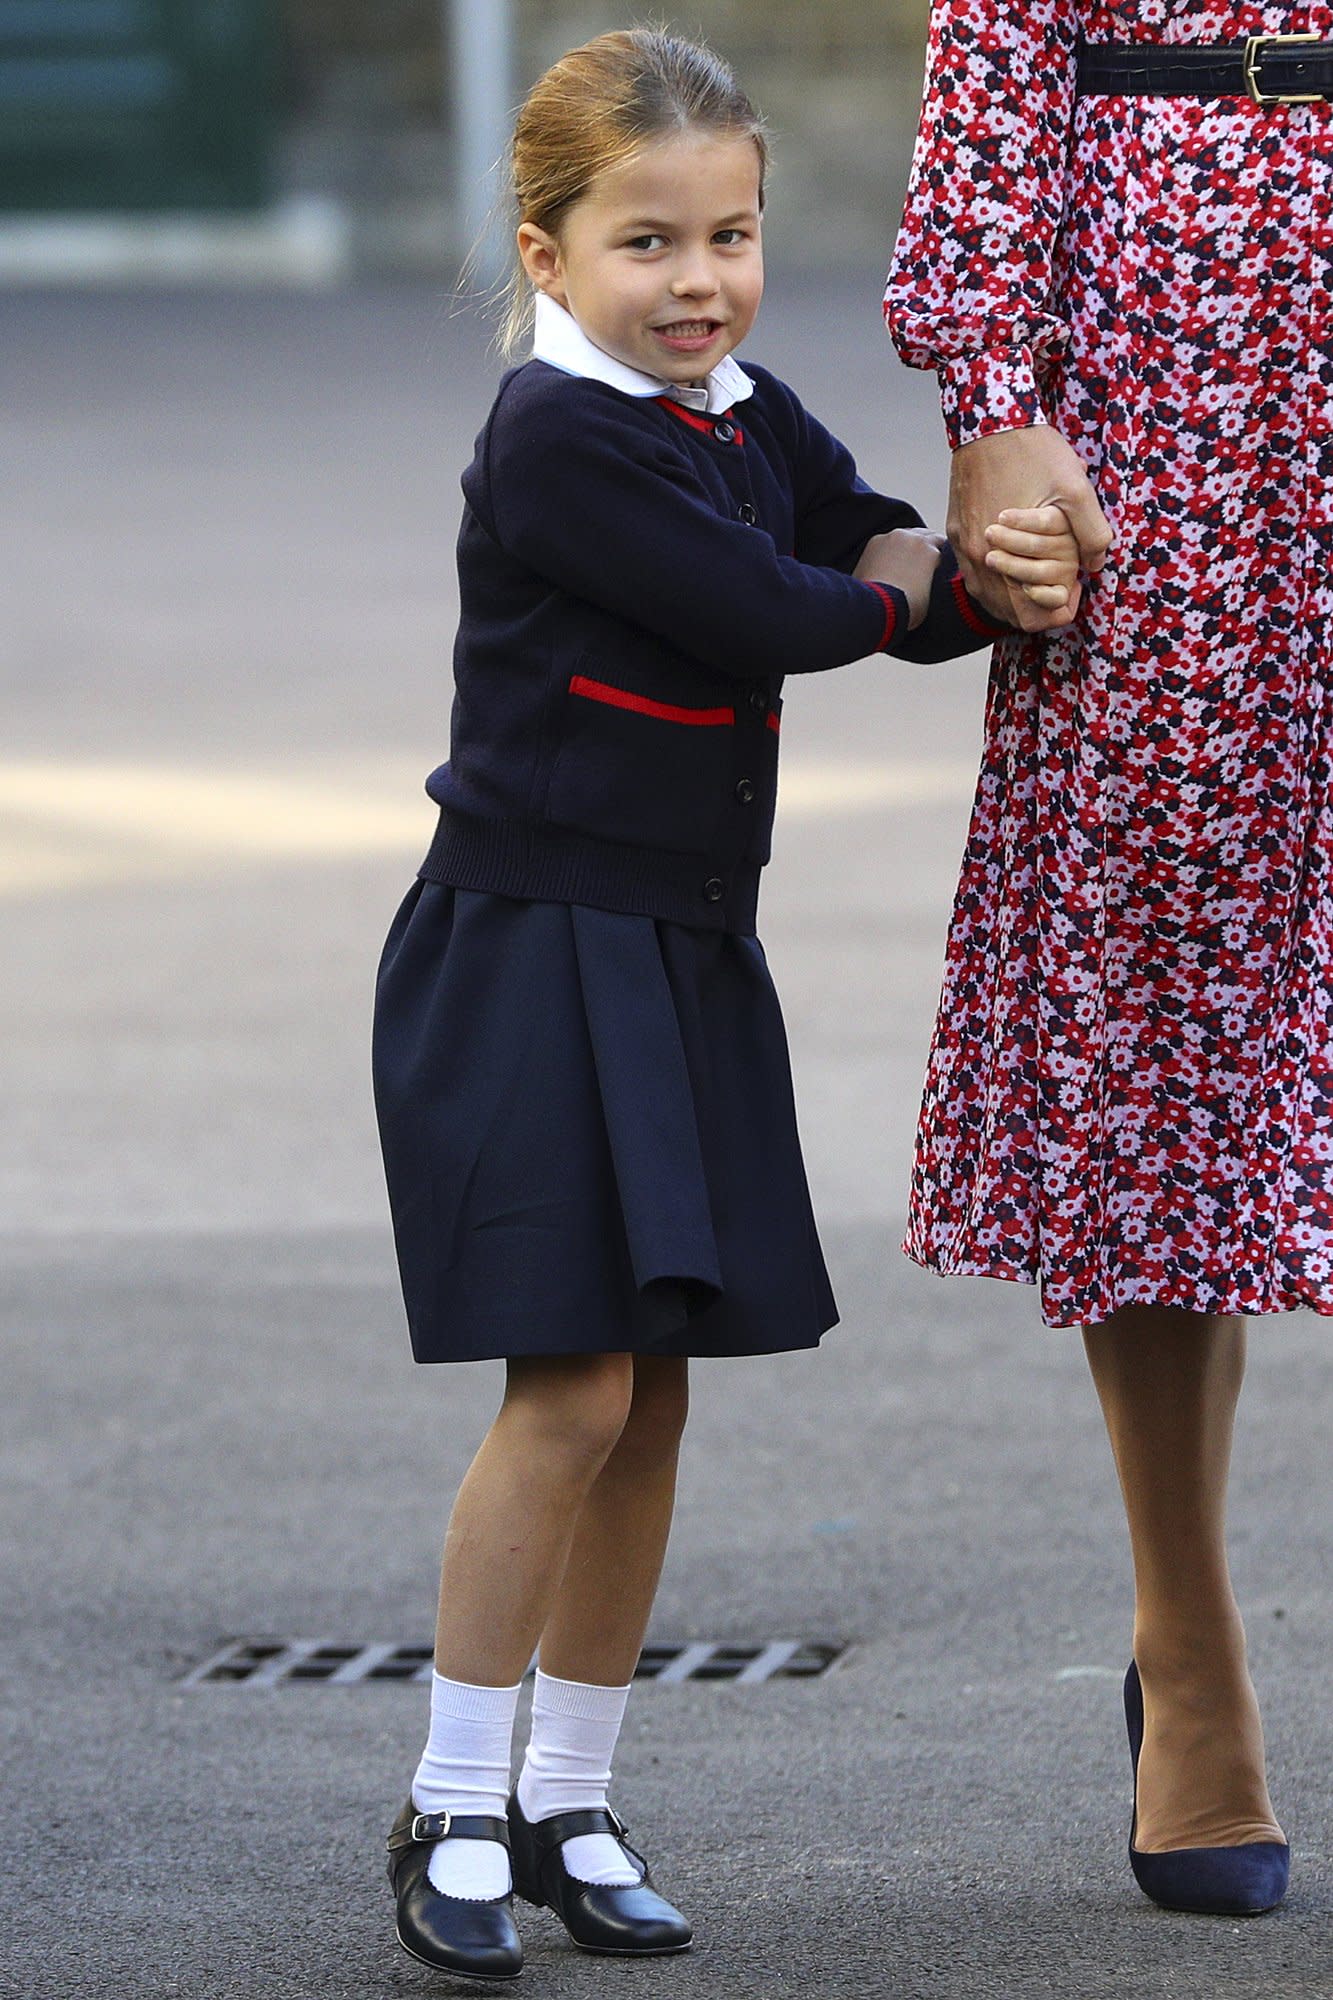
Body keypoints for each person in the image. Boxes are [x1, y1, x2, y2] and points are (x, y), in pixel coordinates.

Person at [372, 26, 1077, 1984]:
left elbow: (848, 527)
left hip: (680, 948)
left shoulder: (733, 407)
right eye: (648, 243)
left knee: (654, 1388)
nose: (698, 281)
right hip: (530, 947)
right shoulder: (559, 436)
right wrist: (958, 588)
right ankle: (448, 1802)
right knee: (571, 1385)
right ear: (547, 251)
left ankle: (569, 1798)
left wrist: (966, 574)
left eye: (734, 234)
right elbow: (780, 602)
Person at [885, 0, 1330, 1919]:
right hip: (1158, 373)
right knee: (1160, 1034)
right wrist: (996, 407)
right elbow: (994, 66)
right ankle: (1191, 1648)